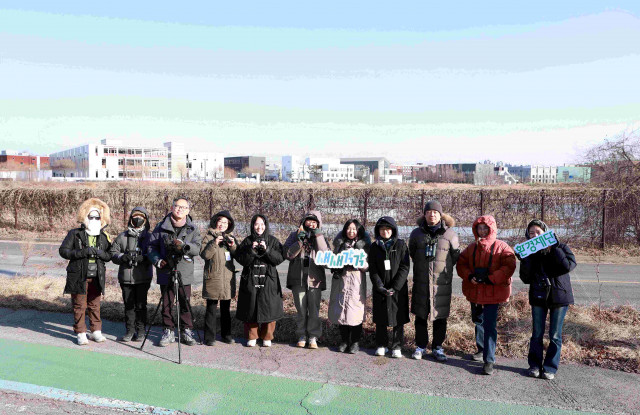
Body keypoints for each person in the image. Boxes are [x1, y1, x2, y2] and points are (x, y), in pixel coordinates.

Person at [457, 215, 516, 375]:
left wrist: (491, 278)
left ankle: (489, 360)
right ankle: (481, 349)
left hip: (493, 292)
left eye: (485, 228)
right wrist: (469, 276)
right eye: (479, 228)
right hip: (475, 290)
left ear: (492, 229)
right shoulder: (472, 247)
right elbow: (461, 263)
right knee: (478, 321)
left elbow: (509, 265)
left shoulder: (502, 246)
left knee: (490, 325)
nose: (482, 231)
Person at [519, 219, 576, 380]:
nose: (535, 235)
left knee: (555, 335)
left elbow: (567, 266)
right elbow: (525, 278)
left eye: (538, 232)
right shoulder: (530, 252)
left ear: (545, 232)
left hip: (559, 296)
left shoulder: (561, 247)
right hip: (538, 296)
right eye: (531, 233)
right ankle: (535, 365)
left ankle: (550, 368)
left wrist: (554, 248)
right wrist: (525, 259)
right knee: (537, 333)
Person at [408, 201, 460, 362]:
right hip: (421, 281)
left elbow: (455, 256)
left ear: (440, 215)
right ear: (424, 214)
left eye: (435, 212)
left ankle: (438, 347)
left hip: (441, 283)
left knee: (440, 316)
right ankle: (421, 346)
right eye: (429, 212)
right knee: (420, 315)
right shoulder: (416, 233)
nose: (432, 214)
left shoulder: (450, 234)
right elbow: (412, 253)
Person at [148, 196, 201, 347]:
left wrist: (185, 246)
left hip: (184, 271)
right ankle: (168, 330)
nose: (180, 209)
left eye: (183, 207)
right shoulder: (161, 226)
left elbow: (198, 248)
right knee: (166, 303)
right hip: (166, 270)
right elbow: (151, 247)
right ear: (172, 207)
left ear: (188, 210)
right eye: (177, 206)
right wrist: (157, 260)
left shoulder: (193, 228)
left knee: (185, 302)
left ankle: (186, 331)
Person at [59, 198, 112, 345]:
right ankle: (81, 332)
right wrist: (82, 253)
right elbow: (63, 251)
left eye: (97, 217)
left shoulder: (104, 236)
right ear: (85, 216)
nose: (94, 220)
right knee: (79, 305)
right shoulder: (75, 233)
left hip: (97, 275)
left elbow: (109, 255)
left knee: (95, 305)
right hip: (79, 275)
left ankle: (96, 331)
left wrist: (101, 253)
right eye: (91, 216)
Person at [235, 214, 285, 347]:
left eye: (262, 224)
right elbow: (241, 260)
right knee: (250, 306)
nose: (259, 227)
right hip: (250, 278)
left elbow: (279, 259)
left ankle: (267, 336)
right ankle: (252, 336)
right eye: (256, 224)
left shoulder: (273, 241)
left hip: (269, 278)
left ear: (266, 225)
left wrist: (267, 250)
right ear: (252, 226)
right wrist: (251, 250)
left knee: (270, 307)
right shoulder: (247, 241)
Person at [284, 211, 330, 349]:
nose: (311, 224)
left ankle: (313, 336)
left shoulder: (321, 237)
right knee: (301, 309)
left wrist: (318, 236)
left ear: (318, 224)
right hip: (298, 278)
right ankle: (301, 335)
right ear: (303, 222)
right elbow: (287, 254)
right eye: (309, 220)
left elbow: (327, 258)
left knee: (314, 309)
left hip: (315, 279)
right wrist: (299, 241)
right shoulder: (294, 235)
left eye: (314, 222)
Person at [369, 216, 410, 358]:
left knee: (398, 317)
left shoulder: (401, 245)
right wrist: (379, 285)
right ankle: (381, 344)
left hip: (398, 288)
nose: (385, 231)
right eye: (382, 229)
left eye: (388, 229)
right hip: (380, 288)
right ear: (378, 231)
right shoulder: (374, 247)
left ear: (393, 230)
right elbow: (373, 268)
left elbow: (405, 267)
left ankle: (397, 346)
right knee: (381, 317)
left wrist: (396, 286)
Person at [109, 207, 153, 342]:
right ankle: (130, 330)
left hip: (143, 278)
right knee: (129, 306)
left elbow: (155, 253)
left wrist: (145, 258)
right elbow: (113, 253)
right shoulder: (122, 236)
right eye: (135, 216)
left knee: (141, 306)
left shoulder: (149, 237)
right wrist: (123, 257)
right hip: (126, 278)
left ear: (145, 220)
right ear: (130, 219)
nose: (138, 219)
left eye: (141, 217)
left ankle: (141, 331)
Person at [328, 219, 371, 354]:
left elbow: (368, 266)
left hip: (356, 279)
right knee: (341, 309)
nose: (351, 231)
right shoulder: (339, 243)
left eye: (354, 229)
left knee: (355, 310)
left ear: (358, 230)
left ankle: (355, 342)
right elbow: (332, 260)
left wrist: (356, 259)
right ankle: (344, 341)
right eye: (348, 228)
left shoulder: (365, 245)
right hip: (341, 279)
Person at [200, 210, 238, 346]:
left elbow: (238, 255)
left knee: (225, 309)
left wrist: (232, 246)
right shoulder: (208, 237)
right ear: (215, 222)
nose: (222, 224)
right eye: (220, 221)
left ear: (229, 225)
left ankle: (226, 335)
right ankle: (209, 337)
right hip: (213, 277)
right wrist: (215, 243)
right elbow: (205, 255)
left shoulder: (231, 237)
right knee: (211, 309)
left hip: (227, 278)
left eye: (225, 222)